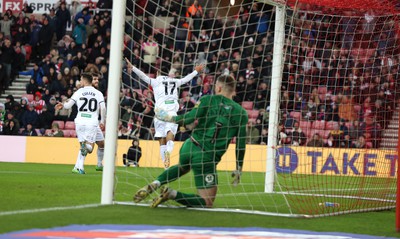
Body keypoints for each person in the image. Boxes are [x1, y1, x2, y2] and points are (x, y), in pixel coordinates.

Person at [133, 75, 248, 208]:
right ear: (233, 90)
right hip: (206, 156)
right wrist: (239, 167)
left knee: (183, 167)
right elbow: (240, 145)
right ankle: (172, 194)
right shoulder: (241, 113)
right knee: (207, 202)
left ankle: (156, 183)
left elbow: (189, 119)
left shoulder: (207, 100)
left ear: (219, 87)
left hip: (189, 146)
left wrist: (170, 118)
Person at [125, 57, 204, 169]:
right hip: (172, 112)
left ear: (157, 73)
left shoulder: (156, 81)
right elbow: (186, 79)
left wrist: (132, 68)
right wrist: (196, 70)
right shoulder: (174, 81)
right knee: (170, 133)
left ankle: (166, 165)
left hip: (160, 113)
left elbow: (143, 76)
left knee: (161, 139)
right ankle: (168, 152)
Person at [55, 73, 106, 174]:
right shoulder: (98, 93)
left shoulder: (79, 92)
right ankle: (80, 167)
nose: (80, 81)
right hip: (92, 122)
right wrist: (102, 121)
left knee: (100, 144)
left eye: (81, 80)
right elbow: (103, 108)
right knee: (89, 148)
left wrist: (63, 105)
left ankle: (80, 167)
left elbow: (68, 105)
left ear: (84, 80)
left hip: (79, 122)